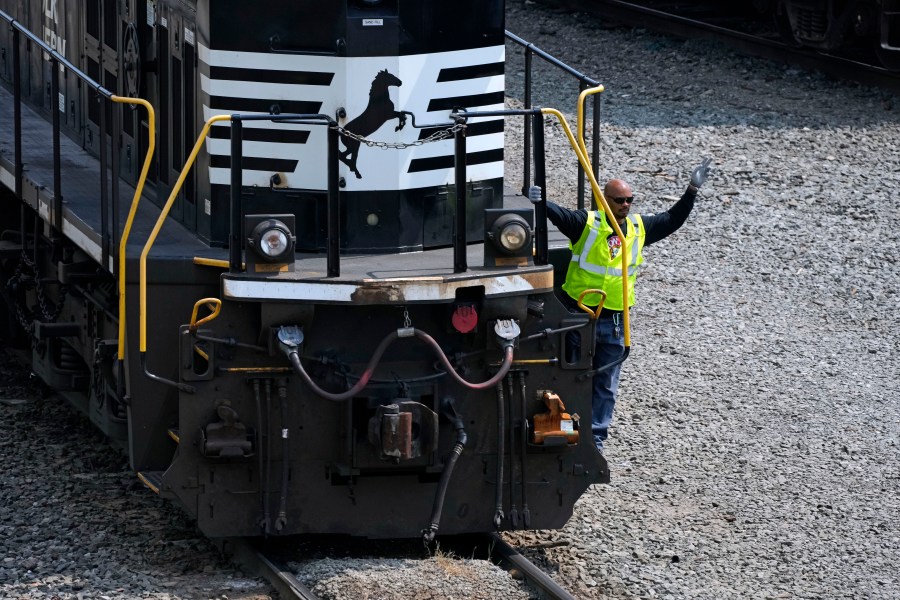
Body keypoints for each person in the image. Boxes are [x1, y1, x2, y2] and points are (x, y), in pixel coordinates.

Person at [545, 158, 712, 452]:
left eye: (629, 200)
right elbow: (558, 214)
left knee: (606, 383)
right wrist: (538, 200)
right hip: (578, 316)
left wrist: (691, 191)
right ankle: (566, 431)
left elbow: (672, 220)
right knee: (569, 376)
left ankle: (595, 440)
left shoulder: (638, 228)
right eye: (620, 200)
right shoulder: (586, 224)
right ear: (603, 200)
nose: (626, 205)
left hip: (614, 321)